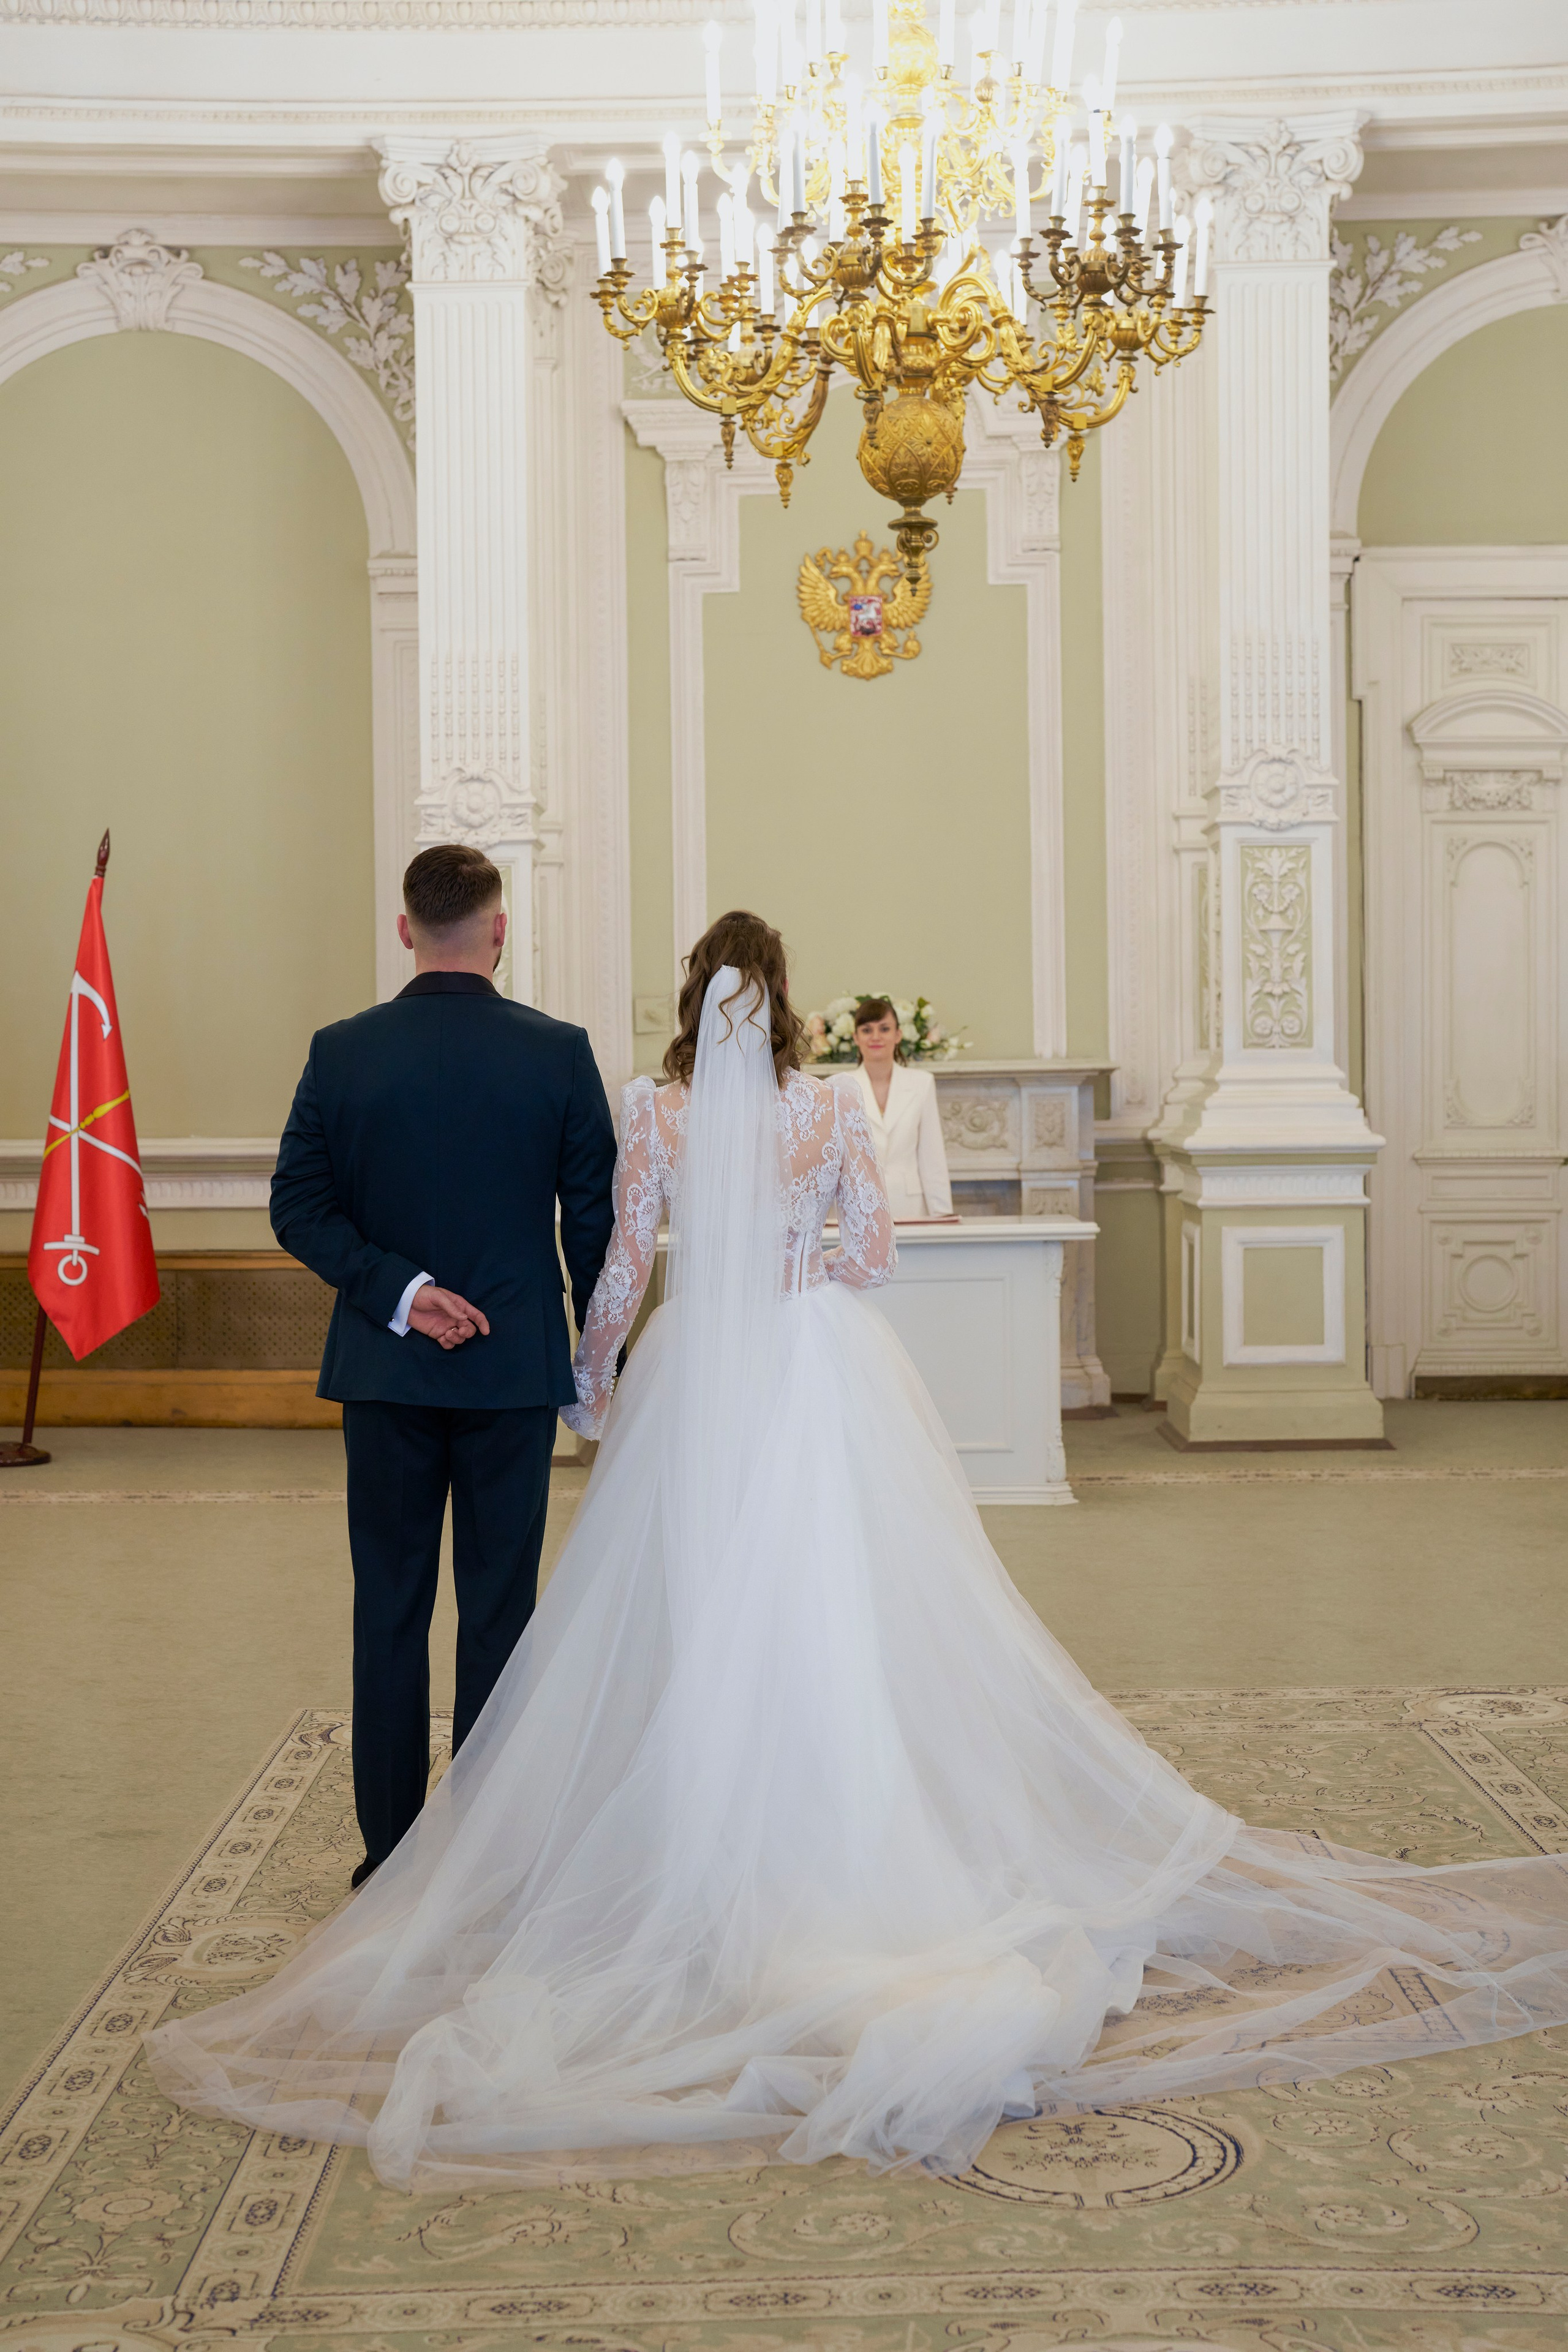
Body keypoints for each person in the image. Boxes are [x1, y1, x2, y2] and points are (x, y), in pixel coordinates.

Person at [149, 908, 1568, 2193]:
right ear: (783, 1008)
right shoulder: (825, 1107)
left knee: (682, 1608)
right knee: (832, 1606)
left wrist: (593, 1377)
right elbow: (870, 1255)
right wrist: (799, 1273)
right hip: (812, 1371)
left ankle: (662, 1837)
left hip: (698, 1371)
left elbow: (630, 1260)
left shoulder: (655, 1109)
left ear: (694, 1004)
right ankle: (839, 1824)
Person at [266, 843, 617, 1890]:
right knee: (500, 1608)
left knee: (390, 1607)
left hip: (386, 1371)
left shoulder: (341, 1051)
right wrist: (602, 1356)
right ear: (499, 930)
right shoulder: (559, 1053)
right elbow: (594, 1225)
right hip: (514, 1374)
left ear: (406, 927)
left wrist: (402, 1294)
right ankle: (489, 1859)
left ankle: (390, 1856)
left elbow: (298, 1208)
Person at [836, 993, 954, 1219]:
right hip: (856, 1208)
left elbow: (932, 1156)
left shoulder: (922, 1083)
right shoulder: (838, 1085)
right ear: (856, 1037)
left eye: (884, 1029)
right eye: (867, 1030)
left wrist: (942, 1215)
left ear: (898, 1035)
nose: (876, 1037)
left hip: (909, 1207)